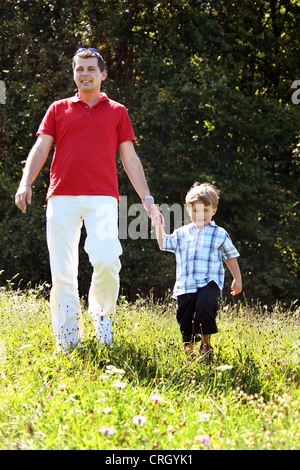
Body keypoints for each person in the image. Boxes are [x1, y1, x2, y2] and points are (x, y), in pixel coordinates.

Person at [15, 47, 155, 352]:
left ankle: (101, 317)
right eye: (79, 69)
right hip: (61, 198)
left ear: (103, 74)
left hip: (103, 198)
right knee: (62, 270)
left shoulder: (118, 111)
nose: (85, 74)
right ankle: (67, 341)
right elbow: (40, 149)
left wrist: (146, 197)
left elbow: (130, 158)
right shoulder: (57, 109)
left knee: (107, 259)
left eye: (91, 69)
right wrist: (26, 182)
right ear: (74, 73)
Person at [151, 182, 242, 360]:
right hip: (186, 284)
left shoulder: (219, 233)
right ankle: (189, 353)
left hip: (210, 282)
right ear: (188, 210)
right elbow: (164, 244)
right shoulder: (182, 233)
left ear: (214, 211)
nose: (200, 215)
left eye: (205, 210)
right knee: (185, 319)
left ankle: (206, 345)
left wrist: (237, 278)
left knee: (205, 307)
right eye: (195, 211)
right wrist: (158, 225)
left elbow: (230, 256)